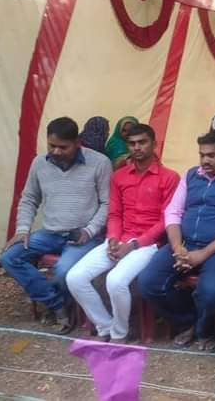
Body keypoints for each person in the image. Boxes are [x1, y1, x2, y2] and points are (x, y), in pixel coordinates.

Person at [137, 130, 215, 350]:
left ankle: (204, 330)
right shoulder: (192, 175)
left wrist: (202, 254)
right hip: (185, 243)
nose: (205, 160)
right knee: (148, 282)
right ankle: (189, 322)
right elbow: (173, 212)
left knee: (210, 292)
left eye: (212, 155)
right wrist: (177, 248)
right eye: (202, 155)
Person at [66, 124, 179, 342]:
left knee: (115, 281)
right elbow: (115, 213)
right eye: (132, 143)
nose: (137, 147)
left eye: (142, 142)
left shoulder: (169, 177)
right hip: (120, 238)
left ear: (154, 144)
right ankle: (105, 327)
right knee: (75, 277)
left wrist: (134, 245)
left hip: (150, 244)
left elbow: (166, 220)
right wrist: (113, 239)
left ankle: (120, 333)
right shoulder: (119, 176)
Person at [0, 117, 111, 334]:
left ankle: (61, 307)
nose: (56, 151)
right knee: (9, 257)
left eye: (63, 147)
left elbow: (107, 203)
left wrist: (89, 231)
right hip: (50, 233)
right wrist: (22, 229)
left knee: (63, 271)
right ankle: (58, 304)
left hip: (83, 235)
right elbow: (29, 199)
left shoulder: (99, 162)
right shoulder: (39, 163)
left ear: (77, 142)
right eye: (52, 145)